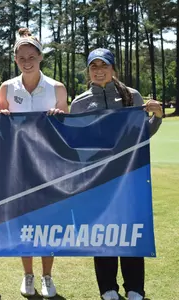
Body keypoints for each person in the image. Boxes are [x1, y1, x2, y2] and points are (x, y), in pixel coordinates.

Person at [71, 48, 162, 300]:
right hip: (97, 179)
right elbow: (75, 142)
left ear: (113, 69)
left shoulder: (132, 96)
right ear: (88, 71)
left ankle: (135, 288)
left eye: (104, 65)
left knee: (130, 229)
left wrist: (157, 117)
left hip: (129, 176)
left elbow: (142, 133)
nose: (99, 70)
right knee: (103, 230)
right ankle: (107, 288)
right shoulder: (79, 103)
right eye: (93, 66)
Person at [0, 28, 68, 299]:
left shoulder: (57, 88)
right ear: (15, 59)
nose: (27, 61)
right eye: (21, 57)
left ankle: (47, 276)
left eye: (31, 56)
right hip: (19, 167)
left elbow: (67, 130)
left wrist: (59, 117)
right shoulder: (6, 87)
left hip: (50, 166)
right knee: (24, 221)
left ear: (40, 57)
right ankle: (28, 275)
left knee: (48, 221)